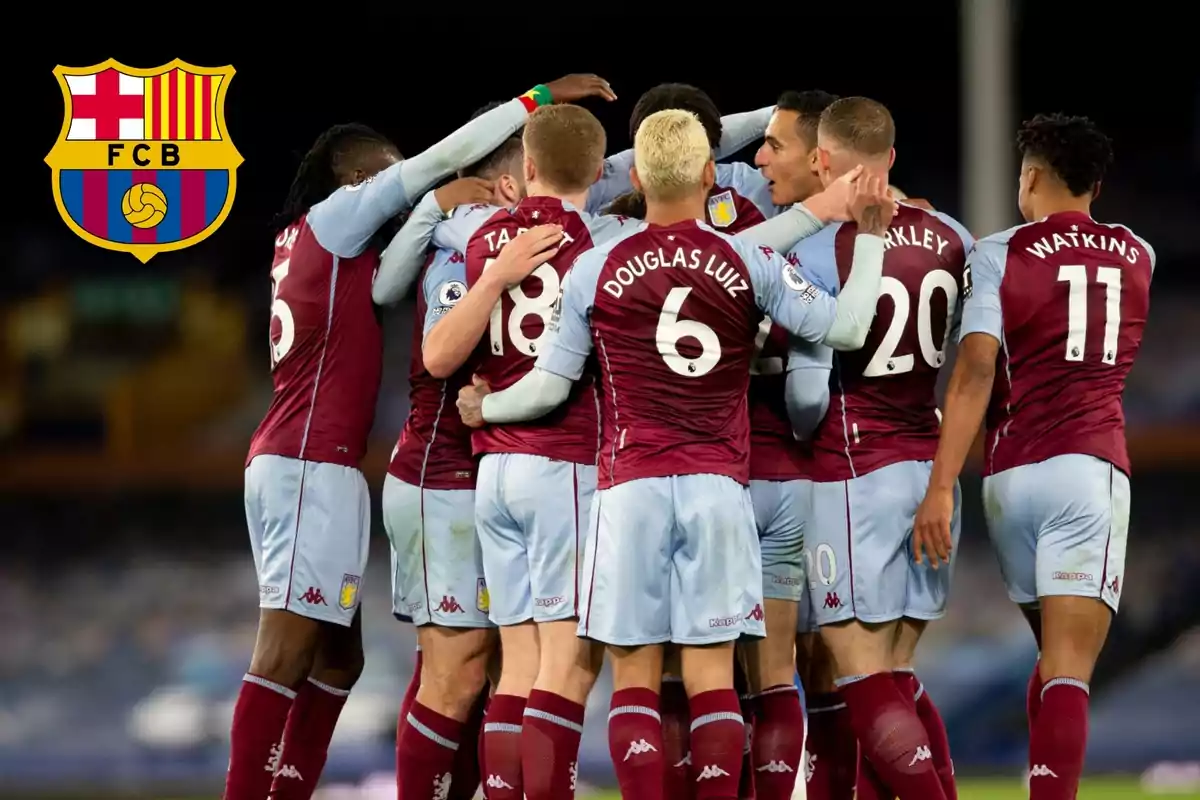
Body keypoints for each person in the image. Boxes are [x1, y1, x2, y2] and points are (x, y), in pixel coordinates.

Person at [456, 108, 892, 800]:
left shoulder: (597, 266)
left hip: (629, 488)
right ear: (709, 173)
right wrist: (869, 237)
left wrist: (488, 407)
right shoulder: (749, 257)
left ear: (637, 176)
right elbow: (847, 326)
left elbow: (547, 385)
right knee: (712, 675)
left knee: (633, 676)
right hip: (719, 487)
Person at [230, 74, 616, 800]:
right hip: (327, 464)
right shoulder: (345, 219)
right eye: (382, 177)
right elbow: (440, 162)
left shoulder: (328, 245)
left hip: (332, 462)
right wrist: (532, 101)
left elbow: (382, 287)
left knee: (342, 662)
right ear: (350, 181)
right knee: (297, 653)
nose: (397, 190)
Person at [913, 113, 1152, 800]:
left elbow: (976, 367)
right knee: (1070, 669)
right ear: (1095, 185)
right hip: (1089, 467)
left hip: (1011, 478)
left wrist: (939, 485)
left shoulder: (997, 254)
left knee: (1051, 662)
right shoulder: (1138, 253)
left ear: (1032, 178)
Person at [783, 97, 973, 800]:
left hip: (852, 467)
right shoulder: (955, 235)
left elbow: (805, 398)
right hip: (930, 470)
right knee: (894, 676)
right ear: (890, 158)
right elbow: (977, 358)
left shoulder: (816, 246)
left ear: (824, 161)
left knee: (857, 673)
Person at [374, 104, 528, 800]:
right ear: (506, 186)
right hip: (442, 478)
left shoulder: (516, 242)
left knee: (490, 665)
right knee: (457, 670)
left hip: (486, 482)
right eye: (535, 174)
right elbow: (440, 360)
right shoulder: (455, 256)